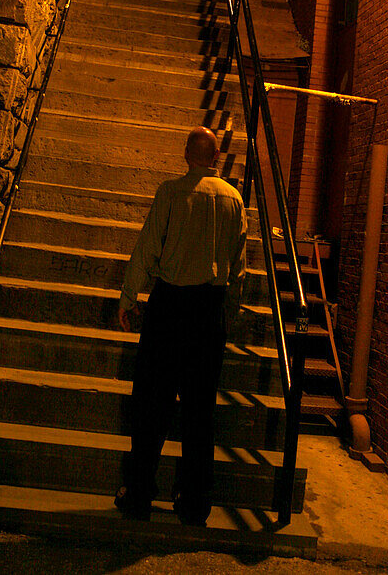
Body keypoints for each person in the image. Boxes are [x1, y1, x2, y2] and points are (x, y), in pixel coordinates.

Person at [115, 125, 247, 526]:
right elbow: (239, 263)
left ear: (186, 154)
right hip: (208, 307)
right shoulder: (234, 199)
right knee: (199, 409)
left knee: (152, 402)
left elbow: (149, 244)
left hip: (170, 303)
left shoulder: (171, 193)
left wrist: (129, 295)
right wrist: (230, 310)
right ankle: (194, 500)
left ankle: (139, 492)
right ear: (215, 159)